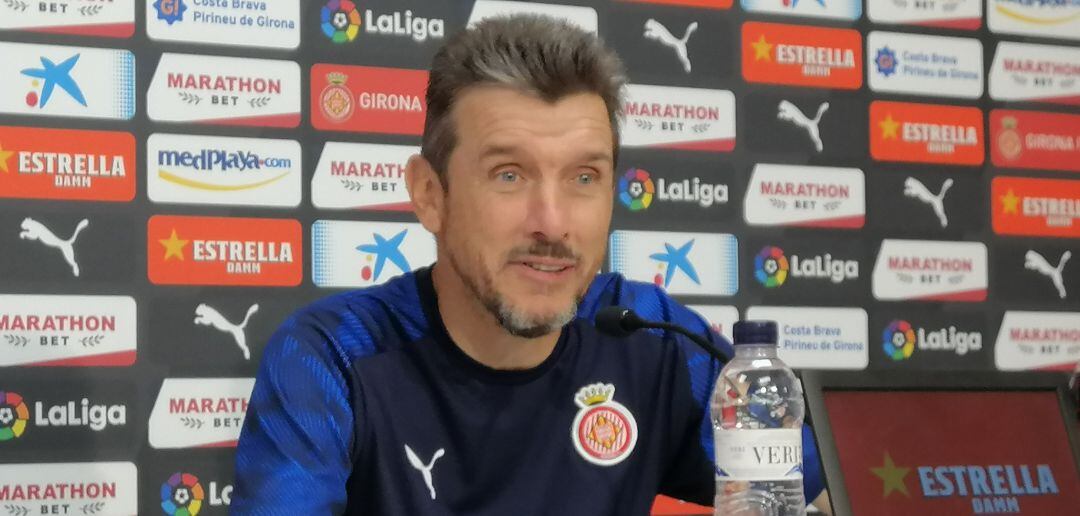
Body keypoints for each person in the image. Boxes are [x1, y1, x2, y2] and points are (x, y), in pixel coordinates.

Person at [233, 15, 827, 514]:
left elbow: (821, 492)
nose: (552, 222)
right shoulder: (335, 356)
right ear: (430, 195)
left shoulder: (655, 339)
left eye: (584, 177)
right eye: (509, 175)